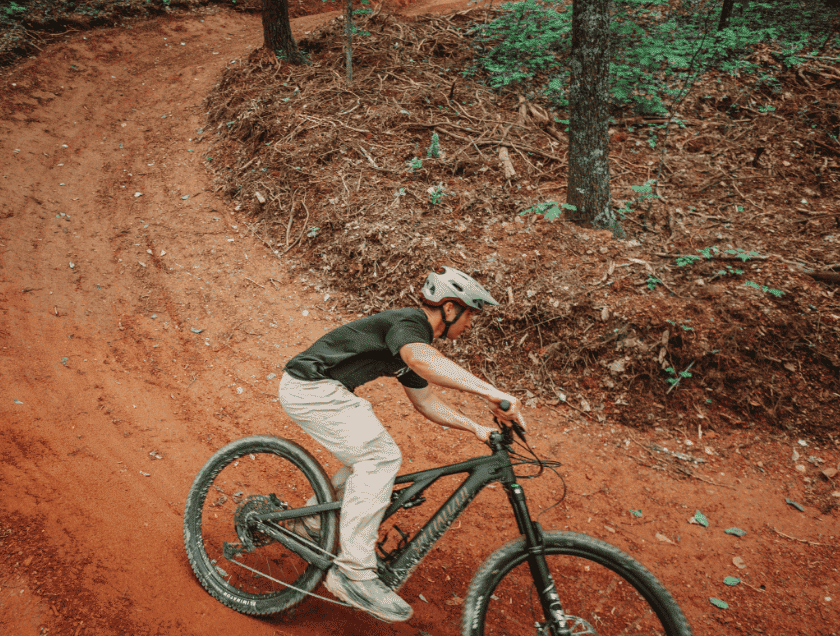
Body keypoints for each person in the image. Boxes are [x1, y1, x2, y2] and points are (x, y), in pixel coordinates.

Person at [277, 266, 527, 623]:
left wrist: (476, 428)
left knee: (366, 456)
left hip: (316, 390)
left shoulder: (412, 344)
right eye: (471, 314)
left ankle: (313, 519)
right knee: (379, 457)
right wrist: (492, 392)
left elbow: (425, 403)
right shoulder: (409, 326)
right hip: (309, 387)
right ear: (451, 307)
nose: (471, 324)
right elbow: (420, 358)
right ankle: (354, 573)